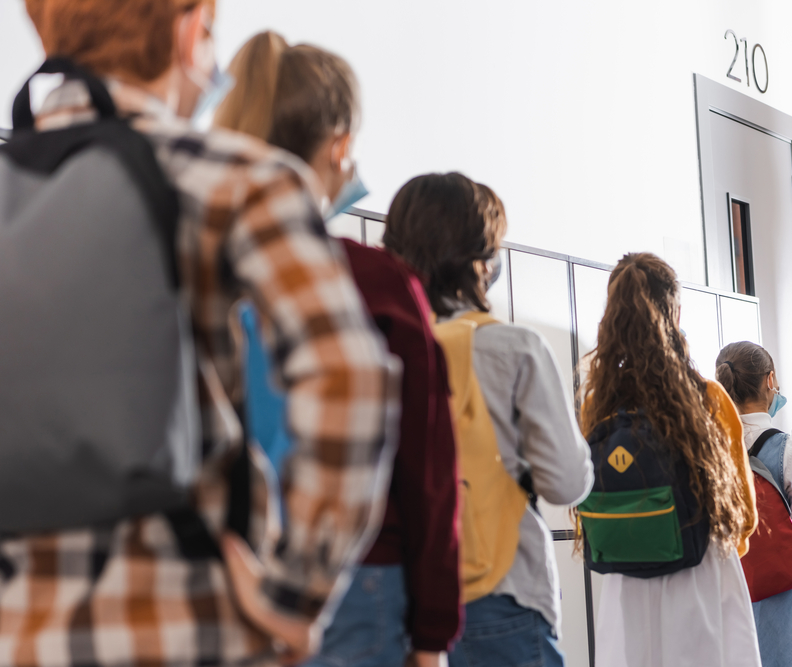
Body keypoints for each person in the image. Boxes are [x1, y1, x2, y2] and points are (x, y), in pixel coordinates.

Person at [3, 2, 399, 665]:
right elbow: (349, 378)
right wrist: (295, 591)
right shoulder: (239, 177)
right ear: (190, 33)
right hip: (191, 623)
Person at [214, 32, 462, 667]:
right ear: (339, 146)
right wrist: (433, 633)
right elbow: (426, 470)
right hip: (359, 582)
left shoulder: (195, 265)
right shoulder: (374, 283)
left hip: (223, 576)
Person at [381, 172, 594, 667]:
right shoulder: (515, 348)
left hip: (395, 598)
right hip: (501, 592)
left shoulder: (376, 341)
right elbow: (567, 482)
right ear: (482, 259)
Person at [578, 253, 761, 667]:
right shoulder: (708, 398)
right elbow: (743, 514)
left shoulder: (598, 405)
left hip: (624, 585)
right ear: (675, 313)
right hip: (700, 571)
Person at [715, 341, 792, 667]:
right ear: (770, 381)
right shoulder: (791, 451)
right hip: (784, 591)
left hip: (725, 588)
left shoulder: (706, 448)